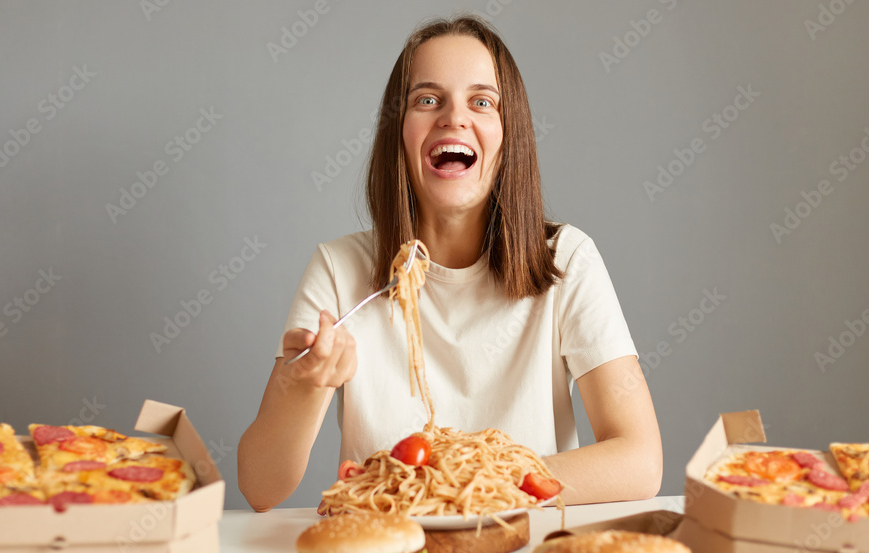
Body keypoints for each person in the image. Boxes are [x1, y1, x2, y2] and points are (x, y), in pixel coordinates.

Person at [238, 15, 662, 512]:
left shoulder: (566, 259)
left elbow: (640, 460)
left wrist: (466, 481)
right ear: (399, 132)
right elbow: (260, 488)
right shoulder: (339, 270)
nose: (453, 118)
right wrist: (303, 383)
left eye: (482, 102)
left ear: (509, 138)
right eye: (427, 100)